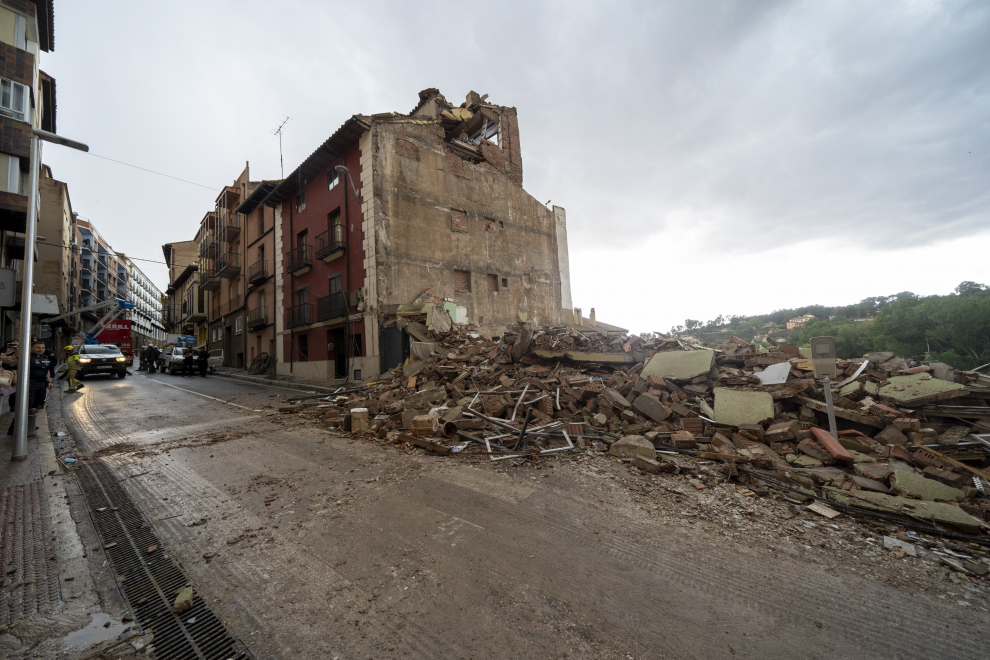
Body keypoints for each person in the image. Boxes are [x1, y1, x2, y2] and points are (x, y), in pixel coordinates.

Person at [7, 339, 52, 435]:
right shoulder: (26, 357)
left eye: (42, 348)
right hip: (30, 384)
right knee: (25, 407)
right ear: (31, 348)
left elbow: (46, 370)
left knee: (35, 407)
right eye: (38, 347)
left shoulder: (45, 357)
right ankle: (14, 428)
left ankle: (29, 425)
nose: (40, 349)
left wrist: (49, 381)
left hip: (41, 385)